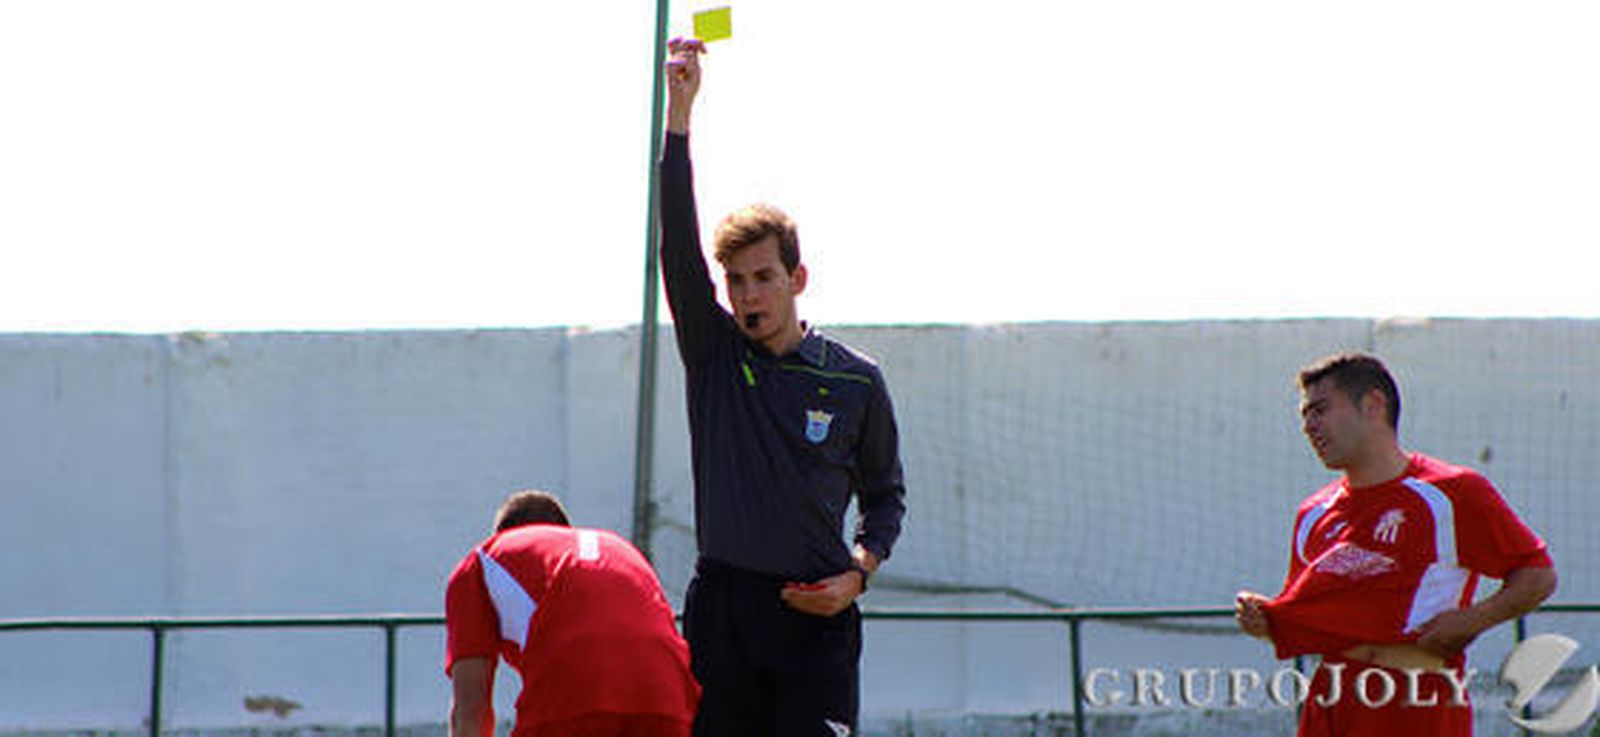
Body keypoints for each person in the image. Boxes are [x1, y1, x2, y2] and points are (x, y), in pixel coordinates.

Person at [658, 37, 908, 737]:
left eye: (762, 276)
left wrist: (859, 572)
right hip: (725, 611)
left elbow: (885, 493)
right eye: (735, 281)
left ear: (796, 279)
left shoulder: (856, 379)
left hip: (815, 618)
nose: (747, 294)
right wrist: (679, 119)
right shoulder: (713, 358)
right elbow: (675, 249)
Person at [1235, 352, 1557, 736]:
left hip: (1419, 703)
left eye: (1320, 409)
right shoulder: (1312, 513)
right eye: (1304, 415)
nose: (1309, 425)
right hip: (1330, 702)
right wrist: (1266, 622)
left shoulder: (1451, 492)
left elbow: (1538, 576)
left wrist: (1473, 619)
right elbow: (1311, 621)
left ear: (1373, 405)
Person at [444, 490, 699, 737]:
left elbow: (471, 712)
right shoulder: (618, 547)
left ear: (503, 534)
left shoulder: (482, 562)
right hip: (666, 696)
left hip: (575, 694)